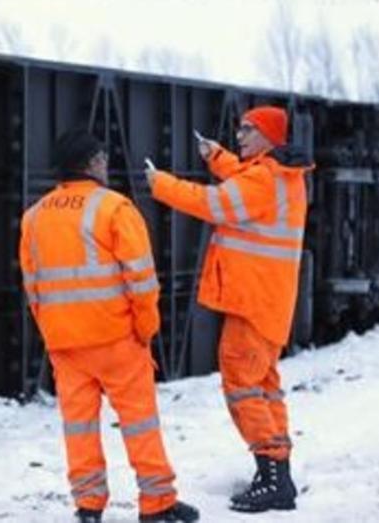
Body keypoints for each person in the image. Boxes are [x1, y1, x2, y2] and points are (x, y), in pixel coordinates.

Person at [20, 129, 199, 523]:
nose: (106, 164)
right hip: (117, 338)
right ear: (92, 163)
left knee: (79, 428)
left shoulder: (34, 217)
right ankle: (157, 505)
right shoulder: (115, 208)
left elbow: (33, 286)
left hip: (65, 344)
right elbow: (142, 279)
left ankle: (88, 507)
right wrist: (145, 329)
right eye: (102, 158)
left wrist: (53, 331)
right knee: (140, 422)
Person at [145, 106, 312, 513]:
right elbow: (243, 179)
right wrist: (216, 156)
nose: (240, 136)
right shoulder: (278, 175)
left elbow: (216, 204)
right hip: (267, 302)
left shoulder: (262, 179)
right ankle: (278, 474)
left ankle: (272, 474)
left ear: (269, 136)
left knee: (242, 386)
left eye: (247, 130)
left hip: (252, 303)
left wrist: (160, 184)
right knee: (265, 386)